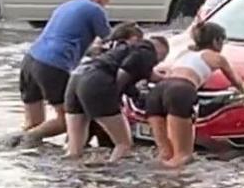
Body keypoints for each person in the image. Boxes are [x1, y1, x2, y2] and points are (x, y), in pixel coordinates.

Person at [18, 0, 116, 143]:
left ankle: (23, 152)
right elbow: (111, 40)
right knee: (69, 121)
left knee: (34, 123)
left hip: (30, 61)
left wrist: (93, 51)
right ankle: (26, 140)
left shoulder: (67, 6)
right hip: (53, 66)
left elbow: (68, 40)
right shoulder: (95, 9)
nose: (107, 3)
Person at [147, 20, 244, 168]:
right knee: (183, 155)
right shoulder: (216, 57)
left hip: (157, 91)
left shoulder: (184, 53)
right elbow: (236, 82)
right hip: (181, 91)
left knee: (165, 153)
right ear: (216, 41)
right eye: (222, 41)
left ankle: (159, 187)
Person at [64, 25, 169, 162]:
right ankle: (110, 177)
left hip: (77, 77)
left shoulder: (120, 50)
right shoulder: (147, 50)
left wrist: (164, 78)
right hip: (96, 82)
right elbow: (124, 72)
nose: (159, 62)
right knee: (124, 144)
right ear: (161, 49)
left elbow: (143, 72)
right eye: (162, 58)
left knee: (75, 147)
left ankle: (68, 178)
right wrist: (115, 96)